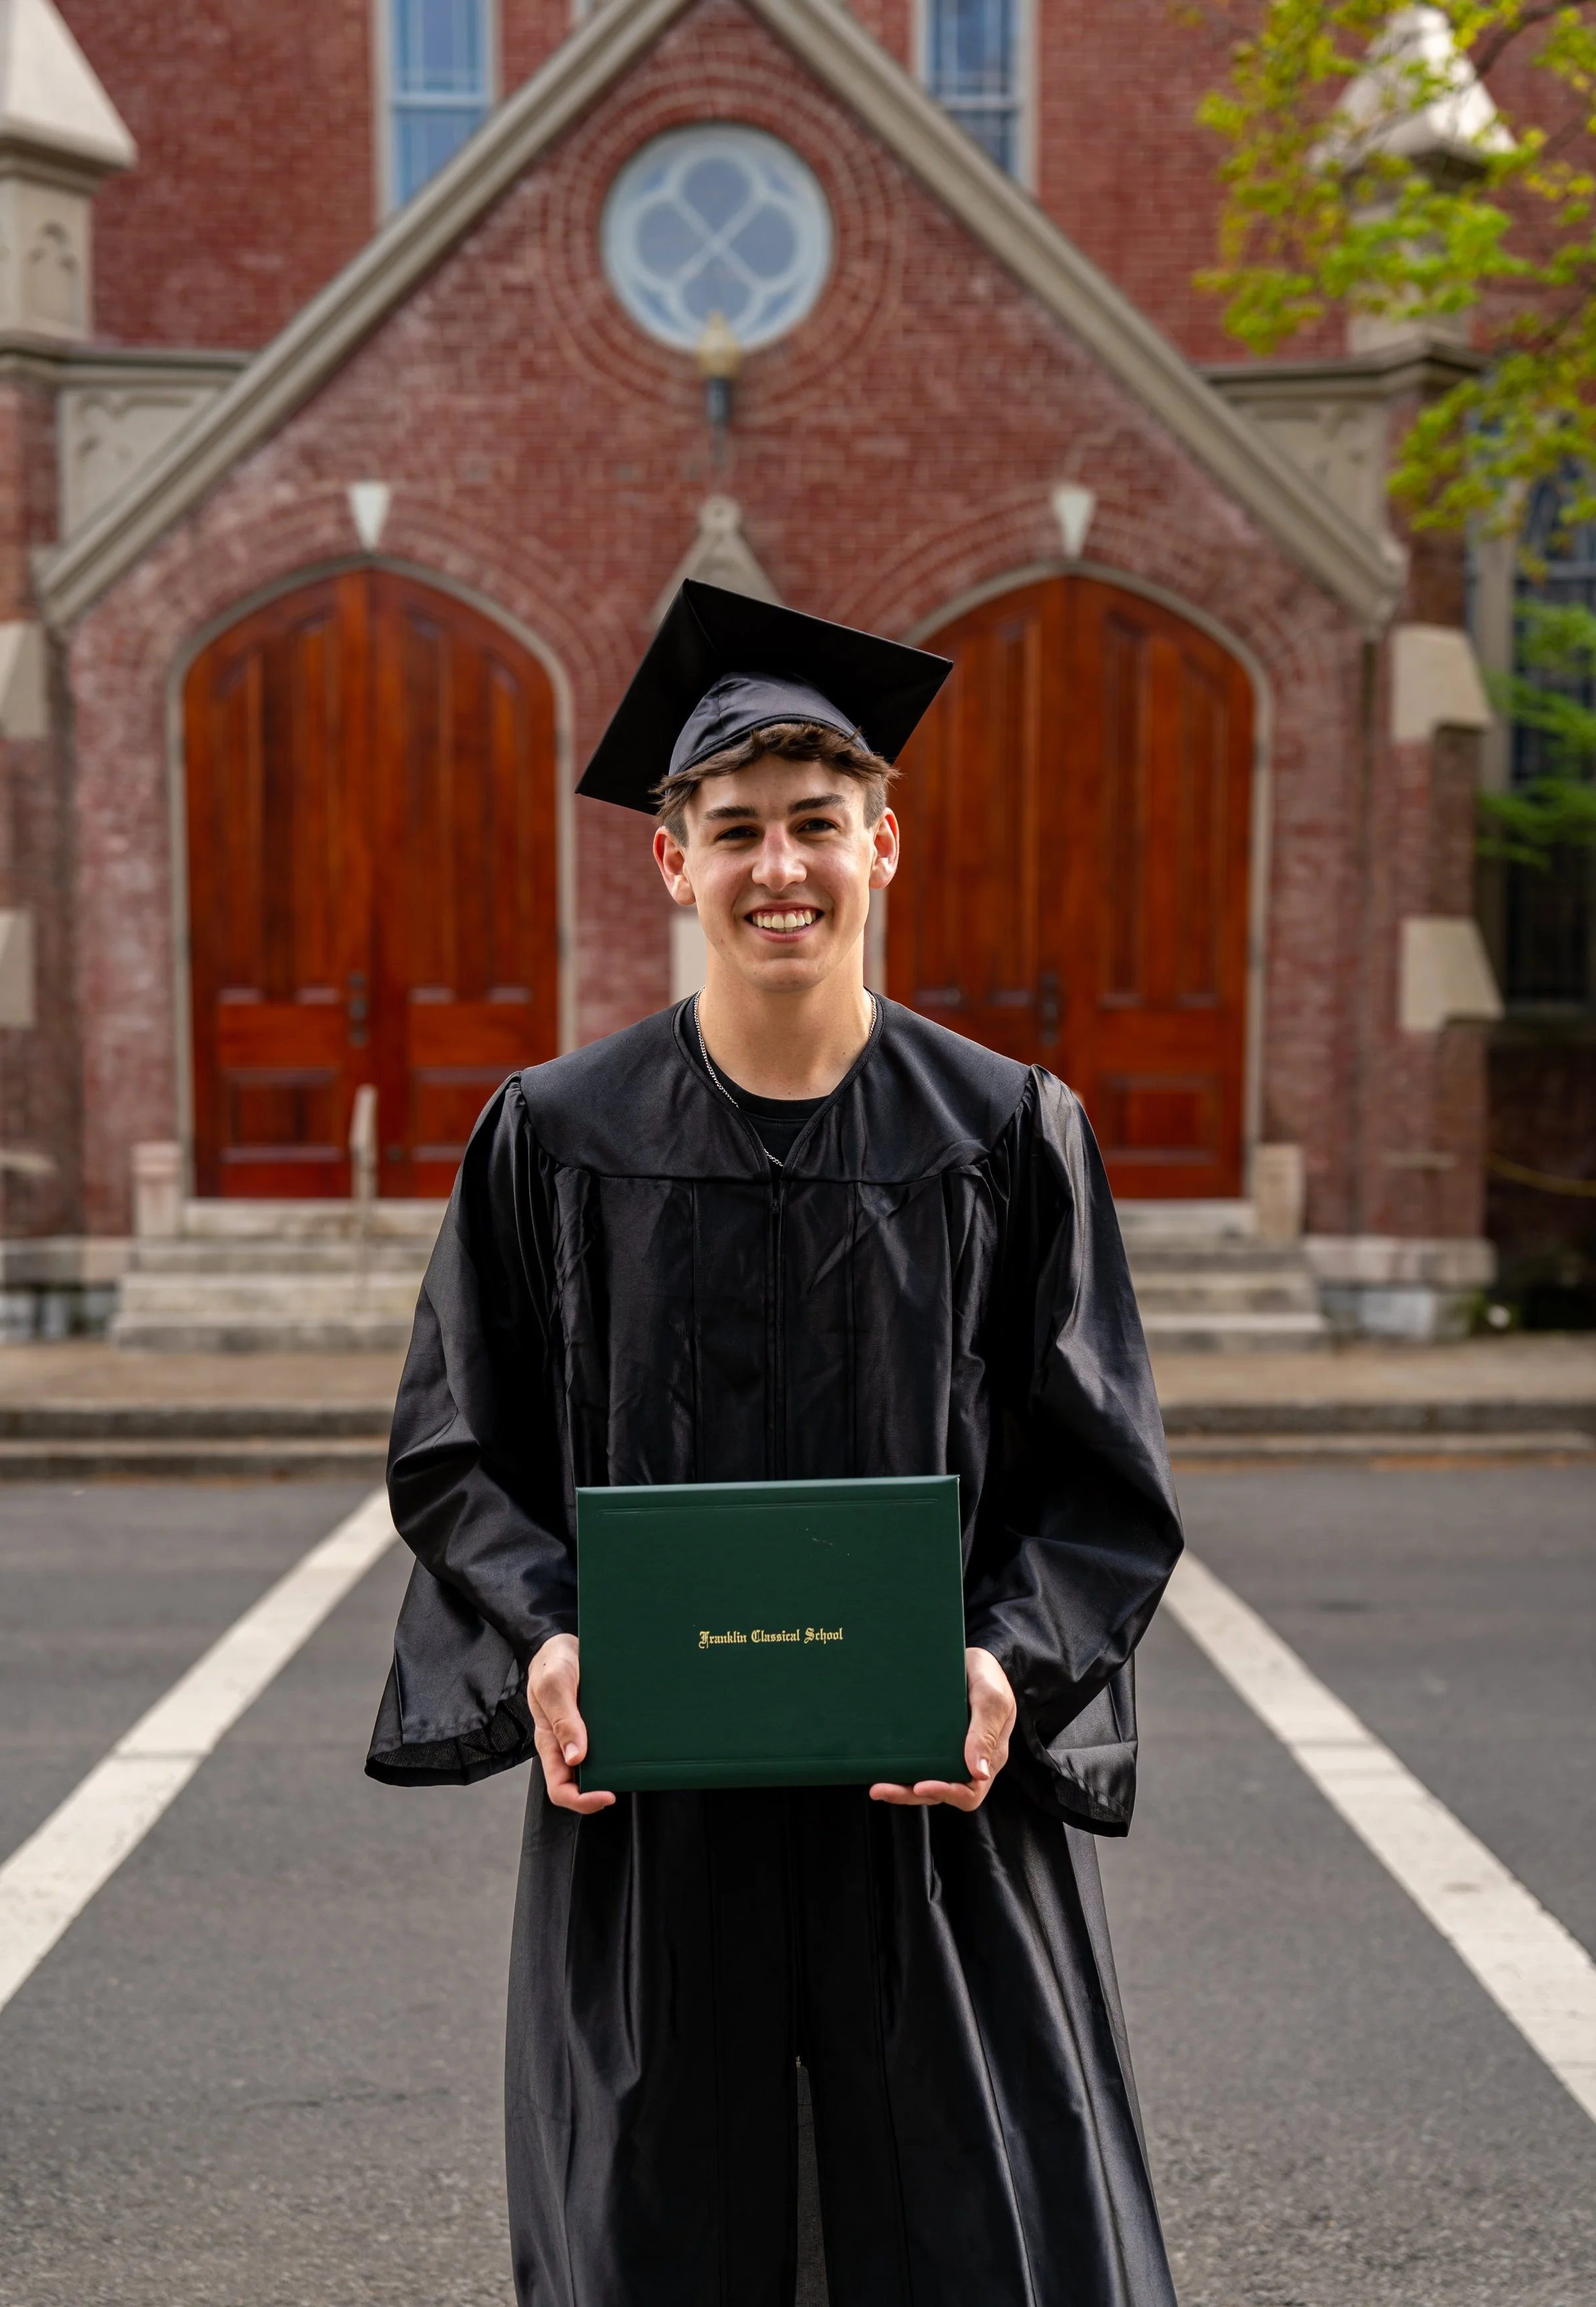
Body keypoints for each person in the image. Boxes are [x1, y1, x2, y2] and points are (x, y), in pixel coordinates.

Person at [366, 581, 1184, 2307]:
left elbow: (1099, 1477)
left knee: (973, 2218)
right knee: (660, 2223)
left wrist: (1002, 1666)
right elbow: (454, 1450)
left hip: (930, 1788)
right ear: (670, 863)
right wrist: (549, 1631)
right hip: (664, 1806)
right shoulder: (553, 1137)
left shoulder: (1005, 1132)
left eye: (818, 823)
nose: (778, 866)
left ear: (885, 846)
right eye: (732, 829)